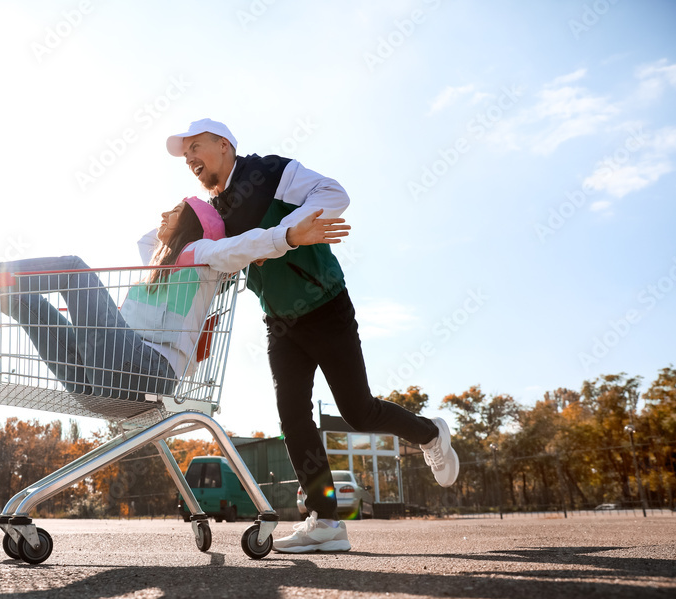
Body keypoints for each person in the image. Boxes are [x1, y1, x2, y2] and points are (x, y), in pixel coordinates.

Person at [166, 119, 460, 554]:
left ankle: (430, 434)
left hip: (325, 305)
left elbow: (334, 193)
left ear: (224, 145)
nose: (189, 157)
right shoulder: (218, 208)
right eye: (184, 153)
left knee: (358, 412)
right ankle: (326, 520)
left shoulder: (268, 173)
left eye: (195, 147)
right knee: (293, 418)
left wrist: (295, 230)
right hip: (279, 321)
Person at [0, 184, 349, 400]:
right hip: (102, 376)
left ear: (192, 226)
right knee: (21, 299)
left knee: (73, 269)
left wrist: (284, 236)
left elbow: (241, 245)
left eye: (172, 210)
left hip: (146, 371)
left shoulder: (206, 256)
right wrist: (179, 218)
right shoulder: (155, 264)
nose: (162, 215)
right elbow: (151, 239)